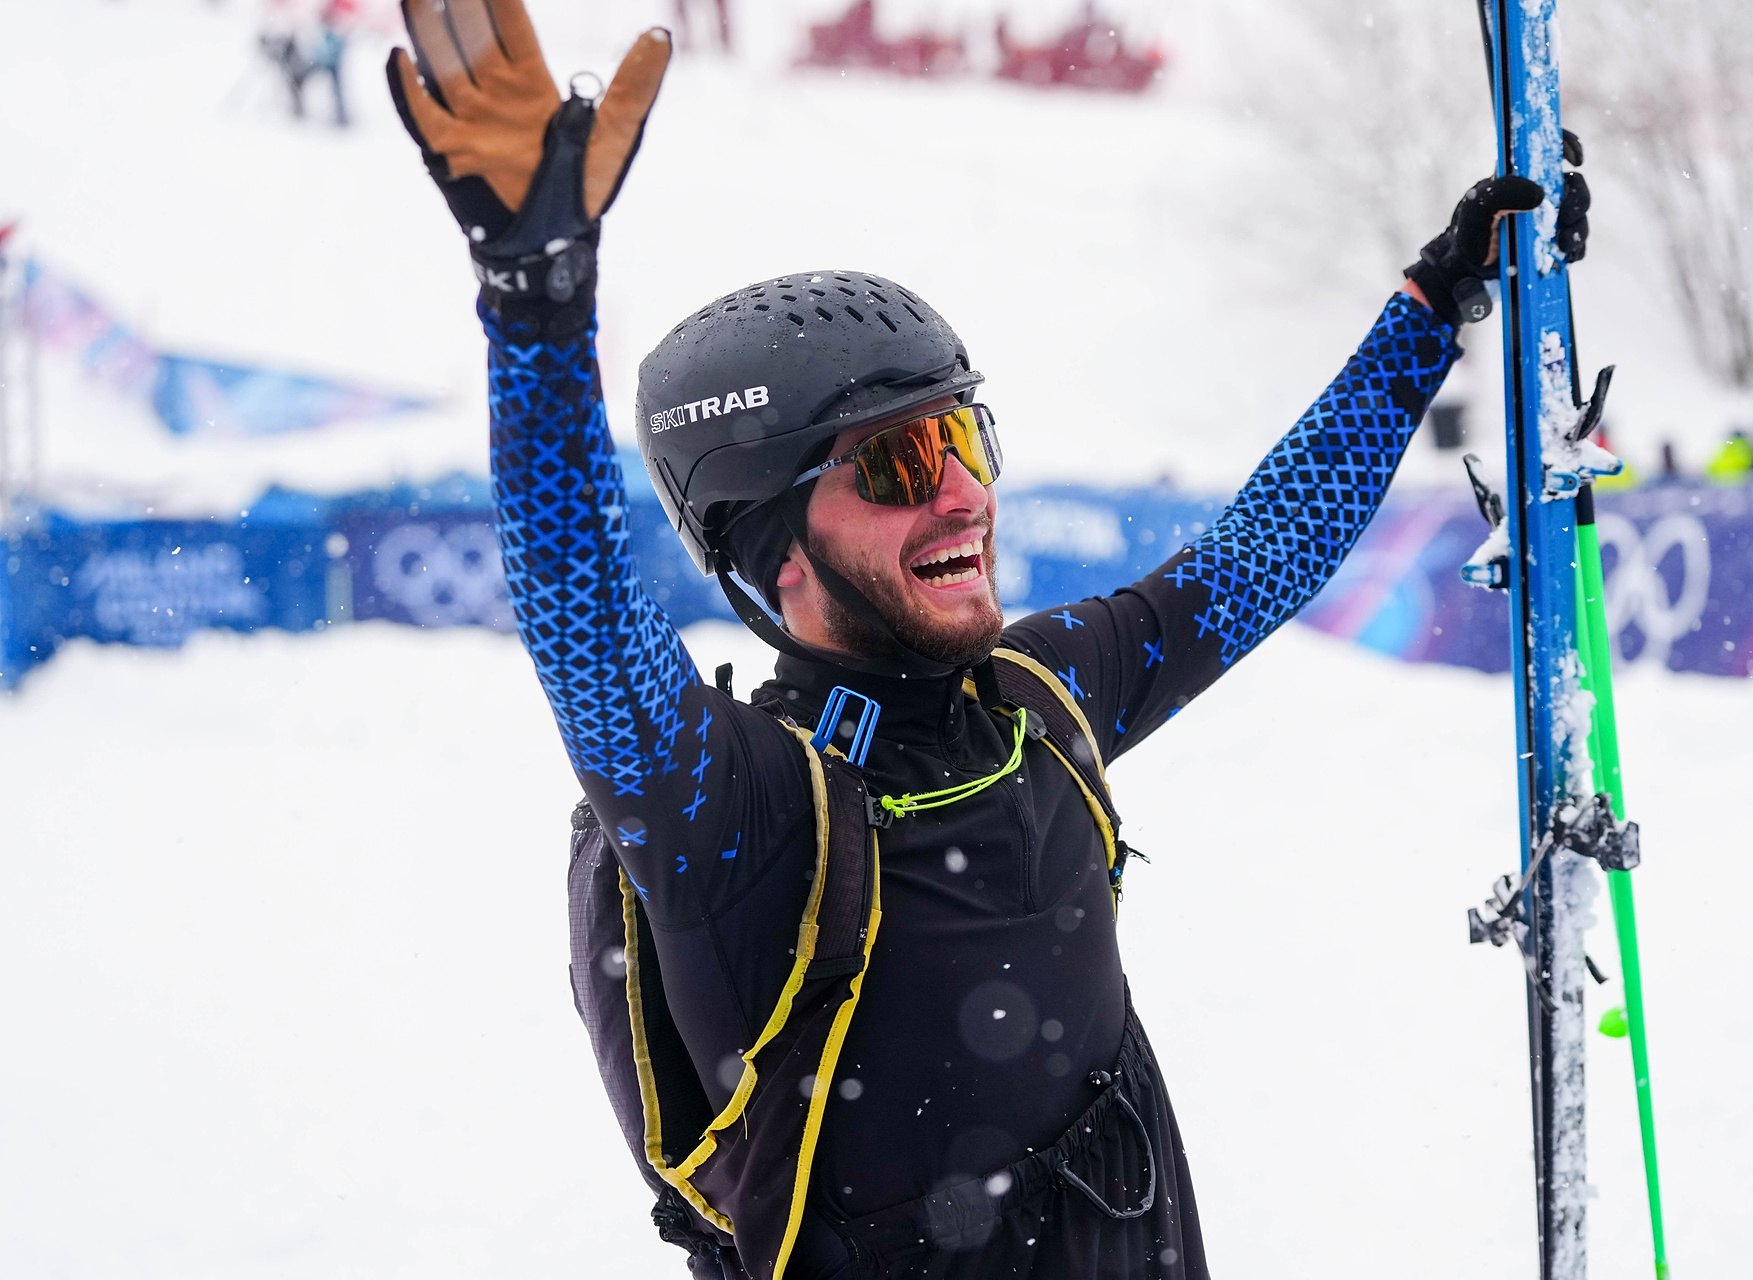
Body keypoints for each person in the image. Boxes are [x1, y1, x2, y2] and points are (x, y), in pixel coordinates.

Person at [385, 4, 1585, 1276]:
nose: (963, 494)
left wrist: (1430, 308)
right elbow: (586, 630)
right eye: (901, 462)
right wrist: (537, 307)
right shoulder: (743, 812)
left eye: (965, 436)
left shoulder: (1033, 699)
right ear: (776, 550)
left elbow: (1254, 561)